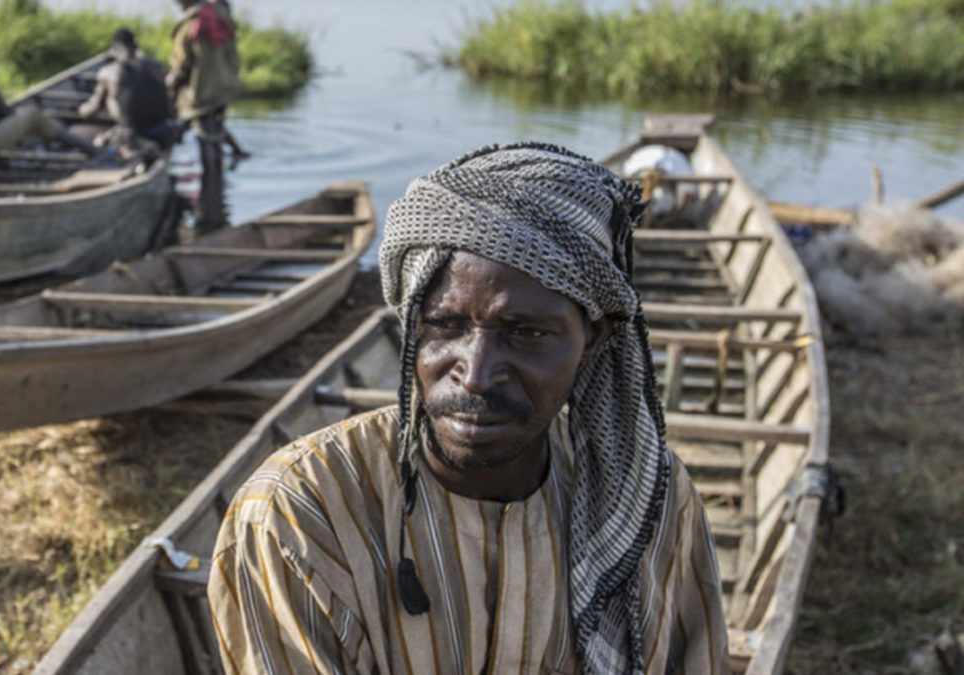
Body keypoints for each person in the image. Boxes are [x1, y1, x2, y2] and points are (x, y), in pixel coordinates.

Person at [207, 143, 729, 674]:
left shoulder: (650, 499)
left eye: (526, 333)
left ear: (592, 338)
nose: (475, 375)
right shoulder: (299, 513)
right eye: (444, 326)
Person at [166, 0, 242, 234]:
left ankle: (210, 197)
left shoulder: (190, 25)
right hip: (224, 86)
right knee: (214, 133)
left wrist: (170, 84)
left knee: (205, 138)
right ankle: (216, 189)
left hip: (202, 90)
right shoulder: (220, 16)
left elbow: (182, 65)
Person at [78, 28, 175, 157]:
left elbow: (91, 111)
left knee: (95, 139)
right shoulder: (155, 66)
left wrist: (80, 110)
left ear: (116, 48)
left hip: (131, 136)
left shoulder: (109, 72)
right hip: (162, 133)